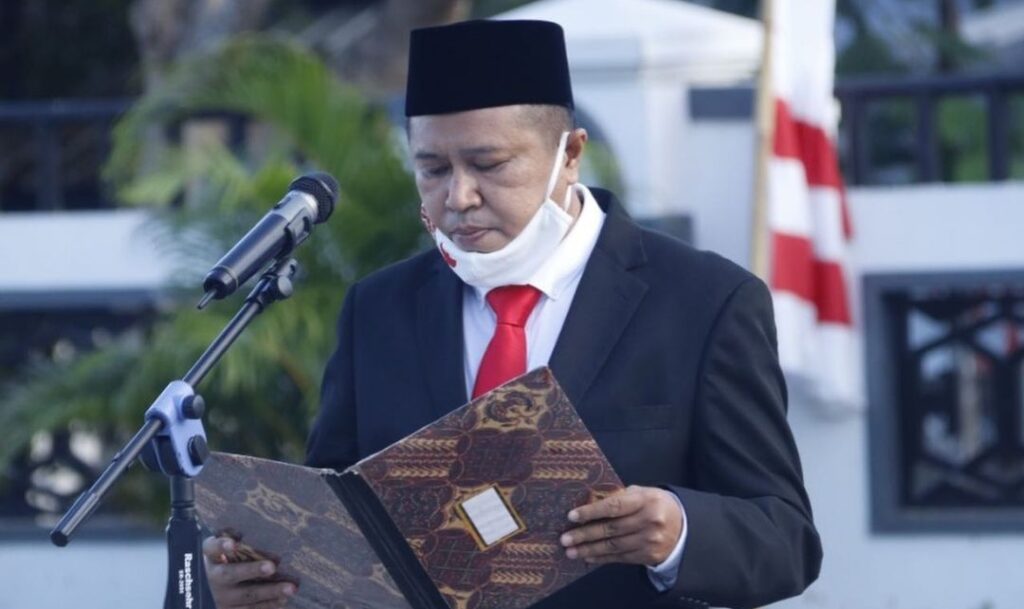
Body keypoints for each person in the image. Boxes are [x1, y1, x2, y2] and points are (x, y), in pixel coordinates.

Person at [203, 19, 822, 609]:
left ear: (570, 154)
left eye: (490, 165)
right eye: (432, 169)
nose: (458, 196)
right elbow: (330, 518)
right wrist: (246, 582)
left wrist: (679, 531)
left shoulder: (703, 301)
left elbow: (786, 541)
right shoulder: (379, 308)